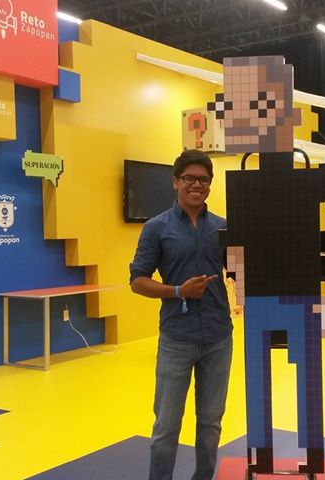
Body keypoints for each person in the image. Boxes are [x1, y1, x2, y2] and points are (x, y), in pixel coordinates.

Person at [129, 149, 233, 480]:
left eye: (203, 179)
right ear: (175, 182)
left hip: (219, 336)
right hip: (177, 338)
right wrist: (178, 291)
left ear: (210, 184)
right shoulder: (156, 228)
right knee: (166, 426)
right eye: (189, 178)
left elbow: (240, 271)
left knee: (211, 424)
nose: (196, 185)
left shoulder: (222, 227)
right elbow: (137, 281)